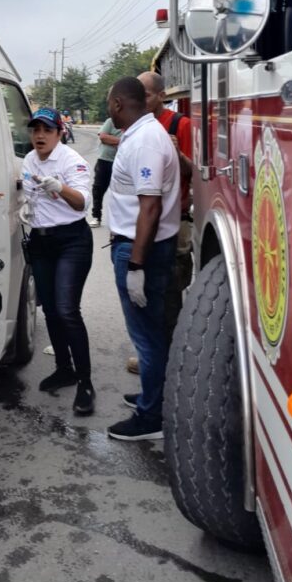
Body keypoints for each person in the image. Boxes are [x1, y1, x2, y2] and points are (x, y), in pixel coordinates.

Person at [106, 77, 180, 441]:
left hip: (141, 251)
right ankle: (153, 396)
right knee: (149, 333)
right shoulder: (143, 135)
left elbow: (150, 206)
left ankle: (152, 417)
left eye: (109, 104)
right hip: (141, 246)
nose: (108, 110)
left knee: (147, 336)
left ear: (119, 103)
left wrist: (135, 265)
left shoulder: (147, 141)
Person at [21, 107, 95, 415]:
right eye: (35, 129)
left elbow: (82, 203)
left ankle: (85, 383)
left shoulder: (71, 161)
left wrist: (59, 187)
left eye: (46, 130)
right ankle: (64, 369)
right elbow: (26, 191)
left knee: (66, 310)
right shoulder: (28, 160)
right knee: (49, 309)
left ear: (59, 133)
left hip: (71, 241)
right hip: (41, 241)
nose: (39, 135)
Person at [121, 71, 193, 374]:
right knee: (146, 297)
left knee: (169, 292)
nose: (140, 99)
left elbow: (196, 171)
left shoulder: (180, 125)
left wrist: (176, 153)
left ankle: (171, 364)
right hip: (143, 224)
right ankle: (154, 360)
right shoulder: (138, 128)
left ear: (162, 96)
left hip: (173, 221)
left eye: (146, 94)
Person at [88, 116, 121, 228]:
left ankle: (118, 220)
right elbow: (103, 137)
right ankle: (96, 216)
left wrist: (112, 140)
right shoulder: (111, 121)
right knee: (98, 189)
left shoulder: (133, 123)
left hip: (122, 163)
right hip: (105, 160)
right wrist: (122, 141)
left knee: (120, 192)